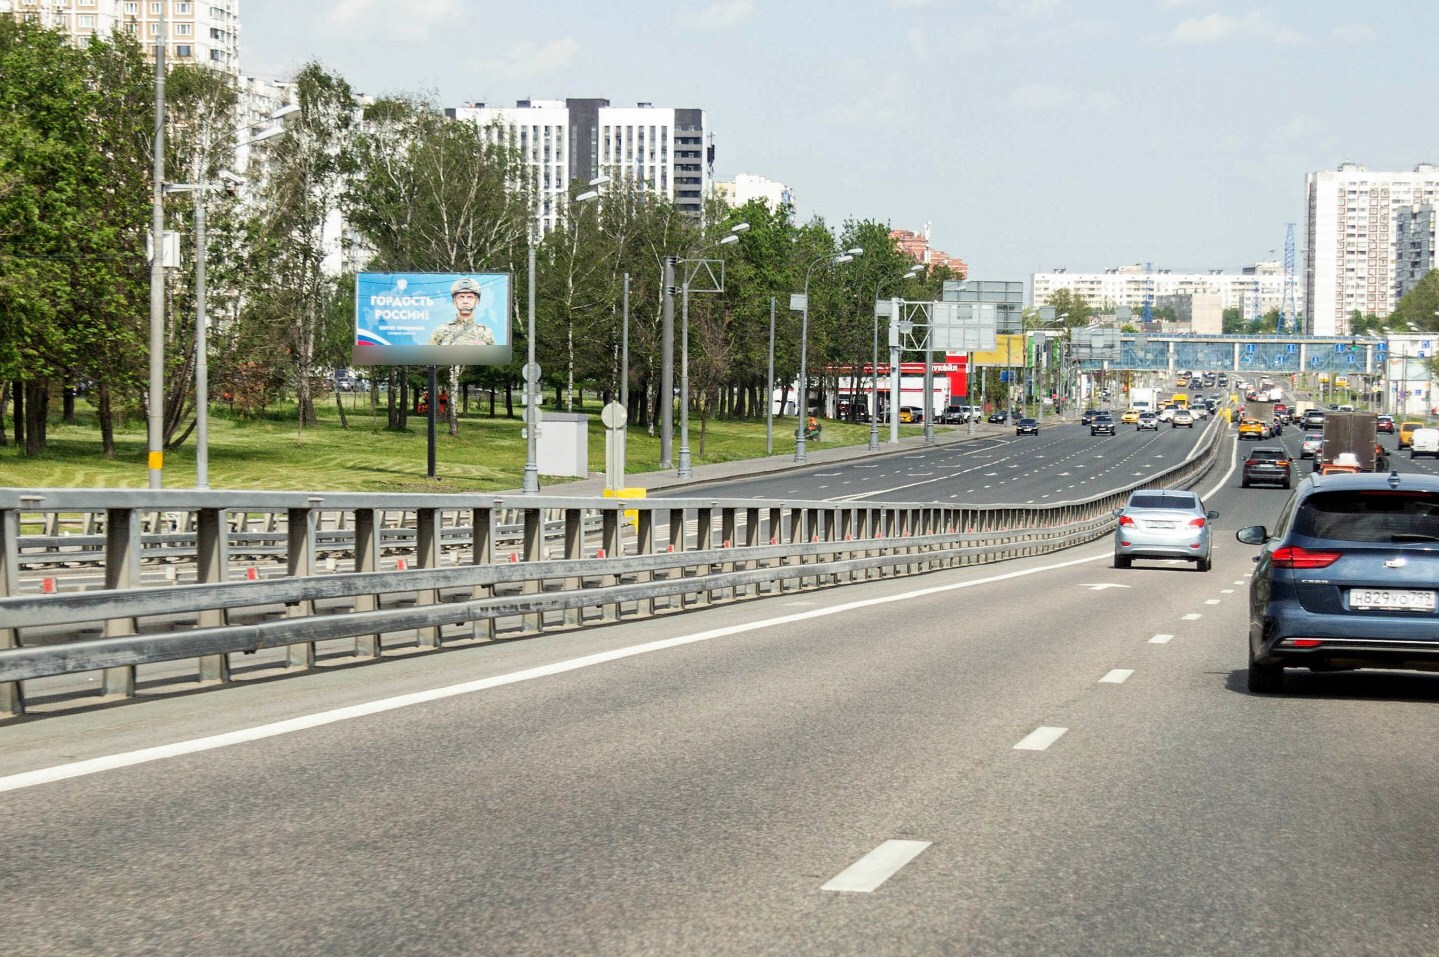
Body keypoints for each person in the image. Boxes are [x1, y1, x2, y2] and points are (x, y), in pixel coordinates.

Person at [430, 277, 496, 346]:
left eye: (470, 297)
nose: (465, 301)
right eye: (461, 297)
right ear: (454, 301)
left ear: (477, 301)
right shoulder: (441, 331)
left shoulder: (485, 333)